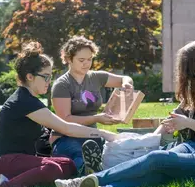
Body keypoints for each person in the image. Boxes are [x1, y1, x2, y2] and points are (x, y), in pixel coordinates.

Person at [55, 41, 195, 187]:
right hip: (194, 147)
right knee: (159, 168)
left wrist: (188, 123)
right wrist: (152, 137)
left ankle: (81, 183)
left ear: (191, 68)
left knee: (157, 159)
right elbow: (177, 114)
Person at [0, 42, 117, 187]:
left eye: (50, 76)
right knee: (52, 167)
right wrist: (102, 133)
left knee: (68, 164)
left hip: (21, 160)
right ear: (30, 77)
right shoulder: (24, 100)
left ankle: (81, 175)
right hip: (3, 163)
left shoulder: (31, 99)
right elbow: (66, 127)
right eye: (45, 76)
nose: (49, 81)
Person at [51, 36, 134, 175]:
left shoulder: (96, 77)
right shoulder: (62, 84)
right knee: (79, 154)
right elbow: (66, 120)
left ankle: (101, 170)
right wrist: (97, 118)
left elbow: (124, 78)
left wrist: (127, 83)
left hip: (92, 135)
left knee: (119, 149)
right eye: (81, 60)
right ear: (69, 59)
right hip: (66, 137)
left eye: (89, 59)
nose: (86, 64)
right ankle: (88, 172)